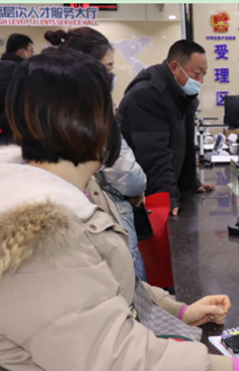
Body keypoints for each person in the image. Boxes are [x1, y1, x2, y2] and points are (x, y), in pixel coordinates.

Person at [0, 50, 239, 371]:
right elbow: (117, 366)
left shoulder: (74, 188)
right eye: (107, 110)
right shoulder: (36, 238)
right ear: (83, 121)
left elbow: (105, 285)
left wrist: (177, 310)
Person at [45, 27, 148, 281]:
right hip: (105, 214)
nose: (111, 75)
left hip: (78, 221)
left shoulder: (52, 105)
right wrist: (137, 188)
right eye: (107, 67)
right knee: (124, 282)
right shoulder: (92, 110)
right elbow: (123, 168)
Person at [117, 40, 215, 216]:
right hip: (136, 197)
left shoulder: (180, 95)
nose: (200, 81)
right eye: (197, 73)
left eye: (203, 74)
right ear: (175, 67)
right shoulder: (147, 94)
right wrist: (166, 197)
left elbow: (182, 146)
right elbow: (154, 154)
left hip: (155, 188)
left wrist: (190, 183)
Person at [0, 33, 34, 145]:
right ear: (21, 51)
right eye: (31, 51)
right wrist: (0, 123)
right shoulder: (28, 73)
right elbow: (22, 100)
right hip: (19, 135)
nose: (31, 55)